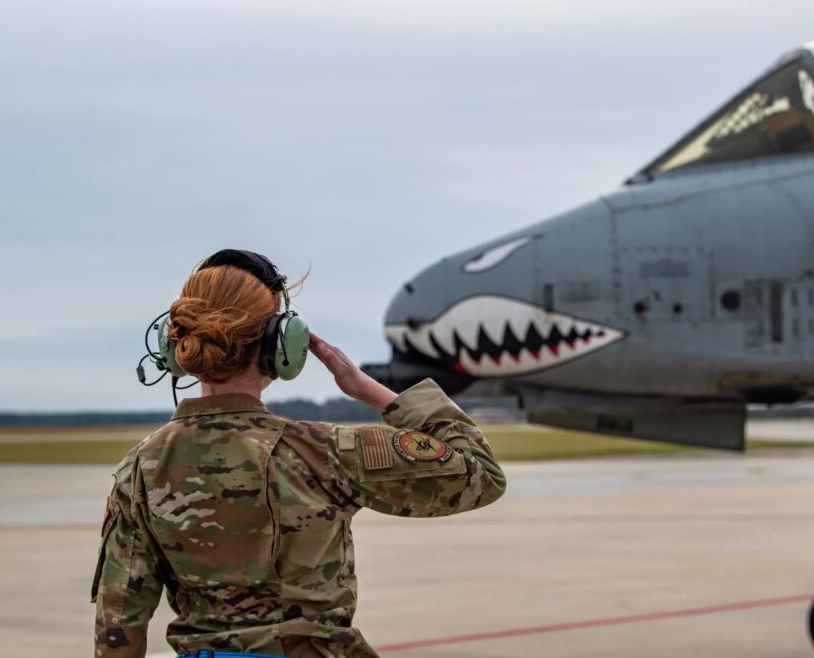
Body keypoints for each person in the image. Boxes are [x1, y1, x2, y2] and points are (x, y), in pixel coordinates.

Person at [92, 249, 507, 658]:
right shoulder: (324, 450)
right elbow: (479, 474)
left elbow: (118, 626)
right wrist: (369, 390)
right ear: (281, 344)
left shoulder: (141, 468)